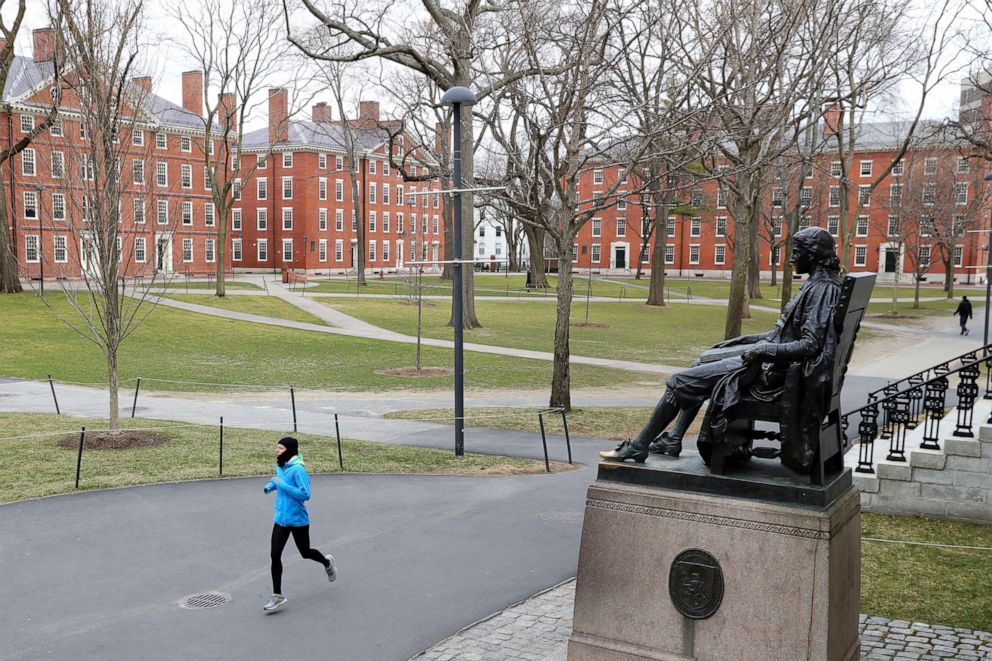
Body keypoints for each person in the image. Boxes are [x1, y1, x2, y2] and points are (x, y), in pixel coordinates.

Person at [600, 226, 842, 474]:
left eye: (797, 252)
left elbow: (811, 345)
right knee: (703, 360)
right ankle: (673, 438)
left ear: (811, 255)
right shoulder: (820, 283)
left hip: (774, 375)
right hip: (774, 363)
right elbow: (787, 334)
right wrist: (746, 340)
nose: (791, 258)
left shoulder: (822, 289)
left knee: (679, 381)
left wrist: (762, 349)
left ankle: (639, 445)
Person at [262, 436, 336, 612]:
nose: (276, 450)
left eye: (280, 448)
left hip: (298, 520)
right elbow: (279, 483)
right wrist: (271, 485)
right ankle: (277, 595)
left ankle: (326, 562)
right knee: (274, 555)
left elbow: (305, 494)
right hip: (281, 519)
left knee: (305, 552)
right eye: (276, 447)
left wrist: (281, 484)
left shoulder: (298, 470)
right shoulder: (280, 466)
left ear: (289, 450)